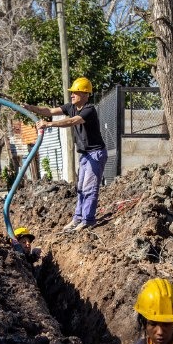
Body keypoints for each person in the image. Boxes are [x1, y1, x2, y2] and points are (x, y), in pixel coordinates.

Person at [23, 77, 107, 232]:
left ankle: (88, 220)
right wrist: (28, 107)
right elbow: (48, 111)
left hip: (95, 154)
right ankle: (77, 219)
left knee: (89, 188)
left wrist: (48, 124)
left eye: (76, 92)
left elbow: (71, 122)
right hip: (85, 155)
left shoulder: (89, 110)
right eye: (73, 92)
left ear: (85, 94)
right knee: (81, 188)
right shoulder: (71, 106)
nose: (72, 94)